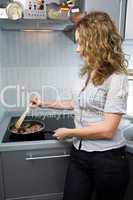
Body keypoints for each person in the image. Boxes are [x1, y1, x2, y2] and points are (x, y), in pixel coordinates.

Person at [31, 11, 129, 200]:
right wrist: (44, 103)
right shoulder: (88, 72)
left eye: (82, 42)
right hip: (80, 155)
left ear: (98, 43)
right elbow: (77, 103)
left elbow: (108, 130)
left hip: (108, 160)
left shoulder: (117, 77)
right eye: (77, 42)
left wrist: (69, 132)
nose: (77, 49)